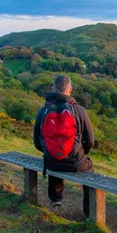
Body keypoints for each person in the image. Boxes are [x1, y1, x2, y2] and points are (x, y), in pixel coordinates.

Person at [33, 75, 95, 207]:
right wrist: (80, 152)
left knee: (55, 154)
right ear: (70, 89)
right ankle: (89, 208)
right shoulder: (80, 111)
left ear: (53, 89)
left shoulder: (43, 110)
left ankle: (56, 197)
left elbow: (37, 141)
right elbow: (90, 140)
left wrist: (49, 151)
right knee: (90, 168)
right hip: (75, 161)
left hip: (51, 162)